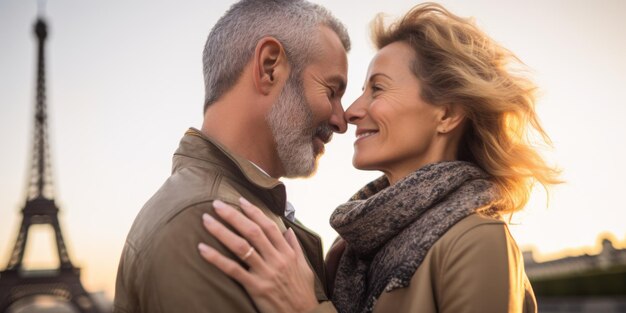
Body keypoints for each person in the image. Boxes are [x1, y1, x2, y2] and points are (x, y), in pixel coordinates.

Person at [197, 3, 561, 313]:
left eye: (378, 89)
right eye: (358, 91)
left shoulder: (476, 240)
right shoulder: (353, 249)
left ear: (447, 114)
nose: (352, 111)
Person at [113, 0, 351, 312]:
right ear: (269, 67)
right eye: (331, 91)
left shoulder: (224, 211)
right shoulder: (209, 221)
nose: (342, 121)